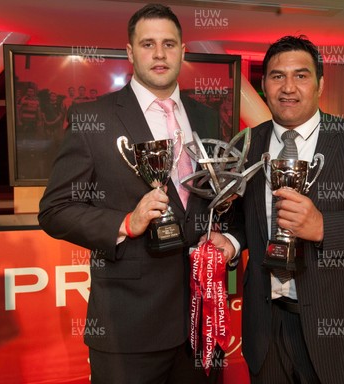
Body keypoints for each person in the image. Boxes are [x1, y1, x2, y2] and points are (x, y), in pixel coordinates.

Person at [212, 35, 344, 383]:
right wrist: (232, 242)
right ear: (263, 85)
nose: (288, 87)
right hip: (266, 328)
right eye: (277, 76)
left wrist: (325, 227)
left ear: (320, 84)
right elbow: (242, 218)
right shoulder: (247, 145)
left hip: (343, 330)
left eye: (301, 75)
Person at [38, 4, 227, 383]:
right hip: (128, 329)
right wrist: (126, 221)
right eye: (148, 44)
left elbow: (215, 200)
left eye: (169, 44)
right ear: (130, 52)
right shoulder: (95, 118)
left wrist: (225, 233)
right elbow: (55, 209)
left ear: (183, 50)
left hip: (200, 325)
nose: (159, 54)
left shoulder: (207, 117)